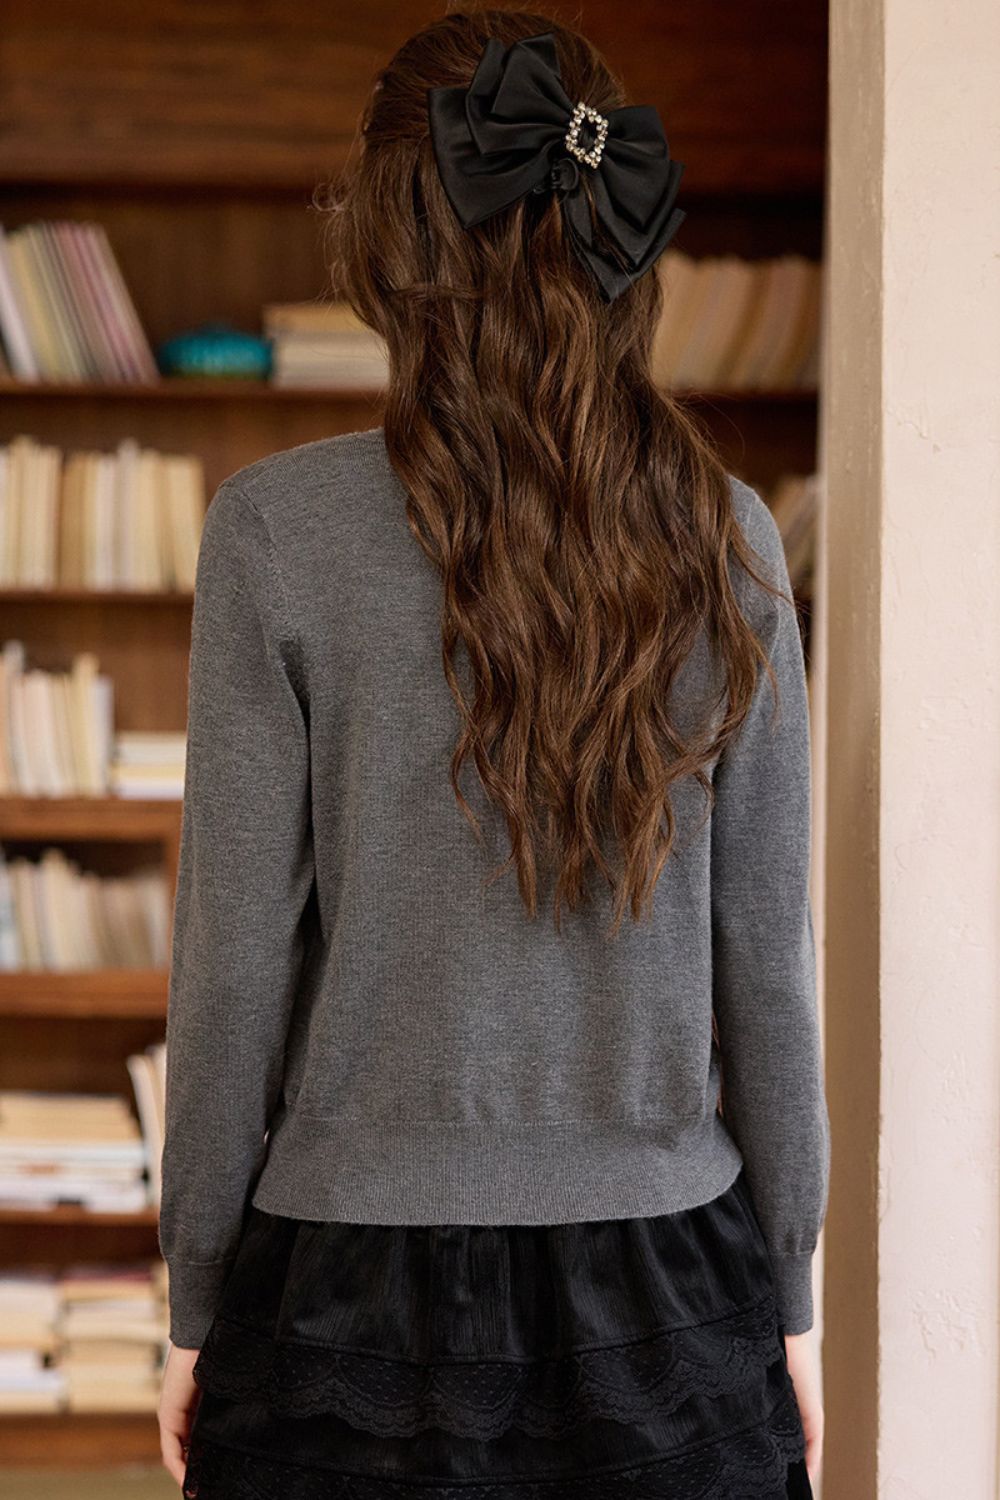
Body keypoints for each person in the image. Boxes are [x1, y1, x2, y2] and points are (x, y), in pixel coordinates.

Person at [157, 10, 830, 1497]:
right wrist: (793, 1304)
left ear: (388, 238)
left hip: (347, 1298)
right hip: (673, 1304)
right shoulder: (729, 534)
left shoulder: (274, 535)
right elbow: (768, 973)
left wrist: (192, 1299)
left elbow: (229, 975)